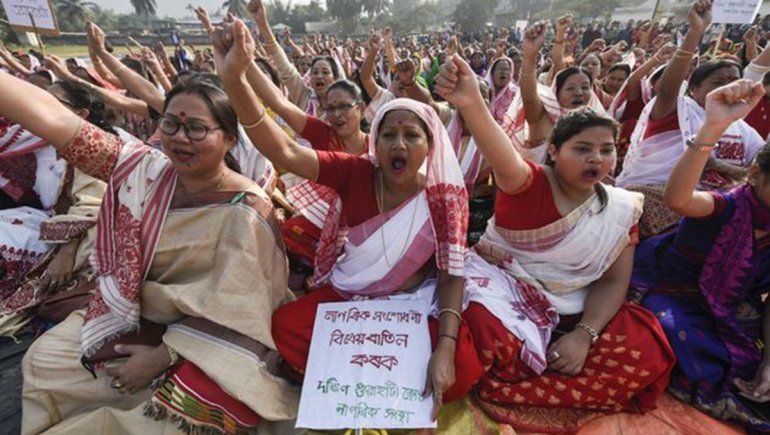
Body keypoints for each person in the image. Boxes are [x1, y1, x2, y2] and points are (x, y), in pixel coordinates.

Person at [0, 67, 298, 433]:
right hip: (141, 313)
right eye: (171, 124)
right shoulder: (148, 171)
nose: (180, 138)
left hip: (214, 337)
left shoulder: (246, 209)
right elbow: (57, 120)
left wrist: (161, 356)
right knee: (45, 361)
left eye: (197, 129)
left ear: (230, 140)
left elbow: (242, 310)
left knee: (168, 420)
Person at [214, 18, 483, 417]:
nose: (399, 143)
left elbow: (450, 274)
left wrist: (443, 346)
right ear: (376, 139)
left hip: (409, 302)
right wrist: (234, 79)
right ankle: (354, 379)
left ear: (430, 145)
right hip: (350, 296)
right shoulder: (355, 171)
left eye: (413, 135)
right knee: (286, 327)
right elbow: (285, 153)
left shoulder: (443, 197)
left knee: (460, 363)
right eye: (389, 133)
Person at [434, 53, 675, 432]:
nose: (596, 158)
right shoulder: (526, 183)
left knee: (647, 345)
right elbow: (500, 150)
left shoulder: (620, 208)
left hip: (574, 307)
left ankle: (531, 377)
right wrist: (472, 102)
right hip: (507, 295)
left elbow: (613, 282)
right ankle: (526, 374)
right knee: (477, 340)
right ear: (553, 151)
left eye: (606, 149)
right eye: (582, 149)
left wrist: (585, 335)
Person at [635, 79, 770, 432]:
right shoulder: (724, 205)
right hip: (677, 297)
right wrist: (713, 127)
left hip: (738, 310)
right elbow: (678, 199)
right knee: (697, 354)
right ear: (755, 174)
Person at [617, 0, 765, 238]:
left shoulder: (743, 129)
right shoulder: (677, 110)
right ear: (693, 89)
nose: (730, 88)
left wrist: (724, 171)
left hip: (715, 211)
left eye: (735, 81)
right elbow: (667, 89)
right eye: (718, 82)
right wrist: (696, 32)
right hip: (657, 206)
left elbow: (759, 169)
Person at [0, 80, 108, 334]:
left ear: (80, 115)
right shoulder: (38, 143)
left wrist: (65, 254)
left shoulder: (92, 150)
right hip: (45, 222)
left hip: (78, 238)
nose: (41, 105)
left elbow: (93, 208)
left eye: (53, 101)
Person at [503, 22, 606, 164]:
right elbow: (528, 97)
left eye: (585, 87)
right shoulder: (543, 117)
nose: (579, 92)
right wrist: (530, 56)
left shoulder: (598, 122)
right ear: (557, 92)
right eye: (570, 88)